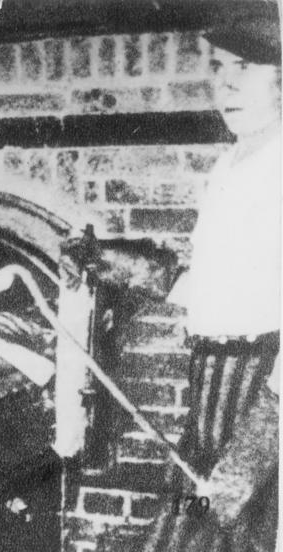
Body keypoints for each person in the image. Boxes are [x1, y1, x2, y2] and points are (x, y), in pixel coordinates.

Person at [144, 25, 280, 552]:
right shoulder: (231, 163)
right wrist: (151, 275)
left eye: (244, 68)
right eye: (220, 68)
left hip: (260, 403)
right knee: (181, 528)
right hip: (210, 401)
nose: (225, 85)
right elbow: (230, 289)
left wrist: (257, 445)